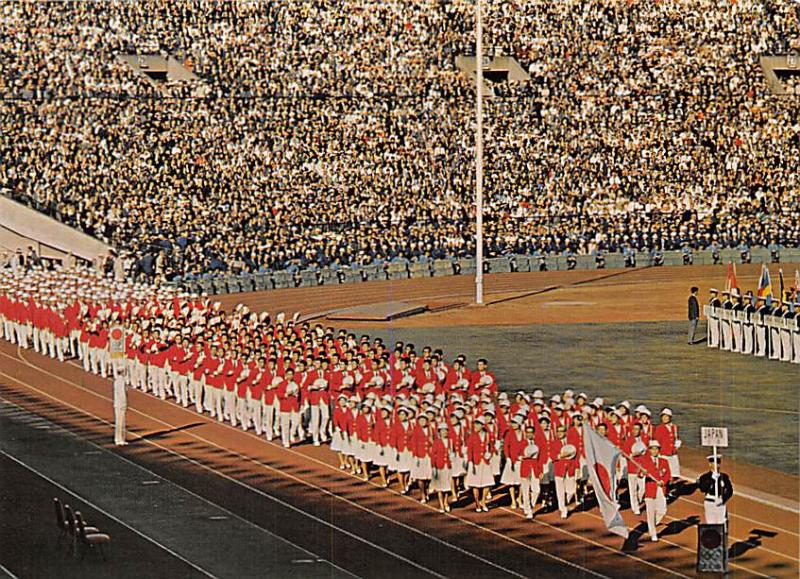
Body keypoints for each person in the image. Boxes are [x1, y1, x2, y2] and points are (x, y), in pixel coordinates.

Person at [643, 440, 671, 542]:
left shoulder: (664, 461)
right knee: (650, 512)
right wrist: (643, 473)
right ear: (649, 450)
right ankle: (653, 533)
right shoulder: (645, 461)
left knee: (662, 510)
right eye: (652, 449)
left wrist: (663, 482)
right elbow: (640, 474)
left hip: (661, 489)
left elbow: (668, 474)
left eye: (656, 449)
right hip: (650, 490)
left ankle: (652, 524)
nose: (654, 451)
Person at [696, 455, 734, 525]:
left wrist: (723, 499)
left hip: (720, 501)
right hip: (709, 501)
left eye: (718, 463)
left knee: (722, 523)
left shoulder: (724, 477)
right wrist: (712, 480)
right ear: (710, 464)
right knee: (711, 523)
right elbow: (703, 488)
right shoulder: (705, 477)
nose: (716, 465)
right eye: (714, 463)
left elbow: (730, 490)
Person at [113, 369, 129, 446]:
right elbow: (122, 393)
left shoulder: (116, 381)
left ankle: (118, 438)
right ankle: (120, 439)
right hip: (120, 404)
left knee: (118, 422)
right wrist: (124, 403)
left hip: (117, 403)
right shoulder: (121, 381)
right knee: (121, 422)